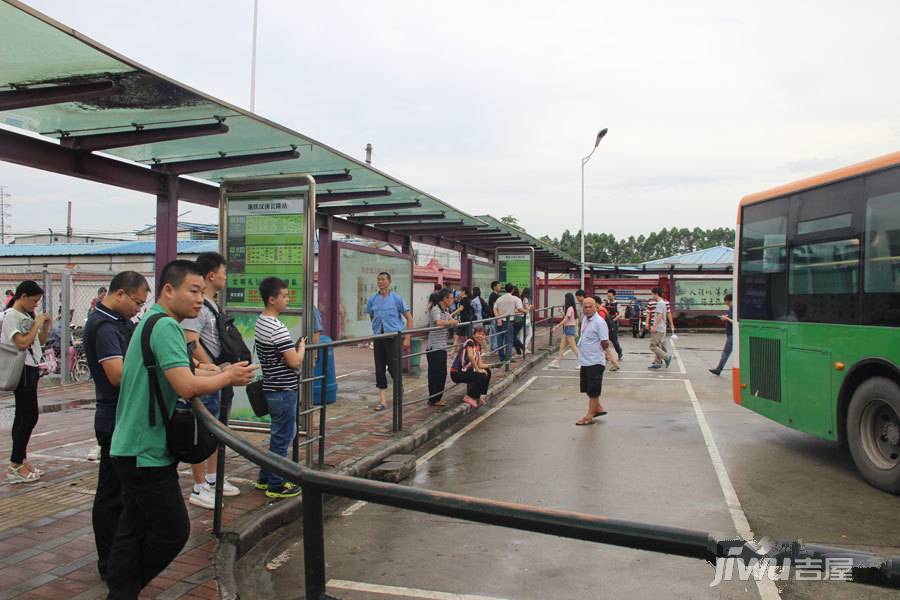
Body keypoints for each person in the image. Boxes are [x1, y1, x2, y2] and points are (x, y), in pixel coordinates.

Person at [105, 260, 256, 599]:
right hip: (145, 450)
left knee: (133, 527)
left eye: (203, 292)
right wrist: (227, 378)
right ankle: (124, 588)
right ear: (169, 290)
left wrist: (219, 371)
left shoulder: (153, 323)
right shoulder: (166, 327)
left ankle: (120, 588)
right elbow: (186, 385)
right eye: (194, 290)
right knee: (173, 530)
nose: (200, 299)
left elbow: (185, 370)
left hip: (132, 445)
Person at [83, 271, 150, 579]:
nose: (138, 309)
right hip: (113, 417)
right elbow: (119, 375)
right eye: (136, 302)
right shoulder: (103, 325)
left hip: (125, 415)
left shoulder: (123, 322)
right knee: (110, 494)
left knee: (124, 493)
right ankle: (108, 561)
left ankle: (121, 555)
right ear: (120, 294)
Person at [180, 252, 242, 509]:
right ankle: (199, 485)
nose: (226, 278)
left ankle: (214, 479)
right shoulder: (198, 307)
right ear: (211, 275)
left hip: (219, 376)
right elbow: (190, 341)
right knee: (202, 431)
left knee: (217, 430)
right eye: (223, 273)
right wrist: (213, 369)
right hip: (209, 377)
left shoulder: (213, 304)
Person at [254, 277, 306, 499]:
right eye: (284, 296)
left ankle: (265, 477)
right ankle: (276, 484)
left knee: (280, 434)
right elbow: (294, 361)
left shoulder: (261, 322)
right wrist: (301, 348)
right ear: (271, 299)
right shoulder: (277, 327)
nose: (287, 299)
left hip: (271, 386)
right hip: (284, 389)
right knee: (283, 436)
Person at [3, 281, 50, 484]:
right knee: (29, 415)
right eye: (33, 300)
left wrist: (44, 325)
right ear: (22, 296)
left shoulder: (26, 316)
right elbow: (21, 343)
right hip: (21, 368)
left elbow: (39, 340)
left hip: (31, 367)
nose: (35, 305)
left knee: (23, 415)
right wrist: (37, 323)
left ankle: (21, 459)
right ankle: (15, 464)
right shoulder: (12, 315)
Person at [366, 272, 412, 412]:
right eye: (379, 279)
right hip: (379, 338)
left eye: (384, 279)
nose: (381, 282)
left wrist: (407, 337)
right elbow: (372, 316)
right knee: (379, 369)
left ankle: (399, 391)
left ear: (389, 281)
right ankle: (383, 401)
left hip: (393, 338)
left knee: (394, 368)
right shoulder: (372, 299)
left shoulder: (397, 299)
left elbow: (409, 318)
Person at [576, 296, 610, 426]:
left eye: (590, 306)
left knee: (594, 391)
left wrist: (601, 353)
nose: (588, 309)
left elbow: (605, 342)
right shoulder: (585, 319)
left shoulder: (600, 322)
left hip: (595, 361)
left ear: (596, 306)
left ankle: (589, 416)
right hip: (584, 361)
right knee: (587, 389)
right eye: (585, 307)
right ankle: (598, 407)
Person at [425, 288, 458, 407]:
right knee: (435, 374)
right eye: (451, 298)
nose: (453, 300)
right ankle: (433, 399)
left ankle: (437, 398)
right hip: (434, 348)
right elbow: (438, 322)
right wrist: (451, 322)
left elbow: (451, 320)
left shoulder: (446, 310)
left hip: (442, 347)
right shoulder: (436, 309)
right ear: (445, 299)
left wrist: (453, 321)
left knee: (442, 374)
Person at [450, 326, 492, 408]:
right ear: (474, 334)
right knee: (481, 376)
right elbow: (470, 356)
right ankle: (469, 396)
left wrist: (493, 365)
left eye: (483, 335)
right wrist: (477, 369)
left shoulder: (478, 346)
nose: (481, 336)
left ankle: (477, 396)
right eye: (478, 334)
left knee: (487, 371)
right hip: (457, 372)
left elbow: (480, 364)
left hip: (466, 371)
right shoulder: (470, 342)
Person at [493, 283, 524, 361]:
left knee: (500, 340)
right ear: (512, 290)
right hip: (508, 322)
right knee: (509, 341)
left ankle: (501, 358)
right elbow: (520, 309)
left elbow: (495, 309)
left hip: (499, 322)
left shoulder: (499, 298)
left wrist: (498, 318)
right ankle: (508, 359)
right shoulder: (515, 299)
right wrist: (527, 310)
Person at [549, 292, 579, 369]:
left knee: (573, 347)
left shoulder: (570, 308)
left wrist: (557, 326)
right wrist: (562, 312)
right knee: (562, 347)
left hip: (569, 329)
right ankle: (557, 363)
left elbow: (566, 319)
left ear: (568, 299)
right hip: (567, 329)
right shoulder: (571, 308)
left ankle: (582, 363)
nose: (564, 299)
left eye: (565, 298)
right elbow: (567, 317)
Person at [647, 287, 672, 369]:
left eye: (652, 294)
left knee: (652, 346)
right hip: (661, 327)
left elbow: (659, 316)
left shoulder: (660, 303)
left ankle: (666, 357)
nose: (652, 296)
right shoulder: (662, 303)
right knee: (657, 345)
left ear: (656, 294)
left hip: (659, 328)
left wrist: (654, 327)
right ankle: (657, 362)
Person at [710, 293, 734, 376]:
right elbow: (730, 316)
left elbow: (735, 321)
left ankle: (718, 369)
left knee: (726, 353)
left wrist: (726, 318)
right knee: (726, 352)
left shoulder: (735, 308)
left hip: (733, 335)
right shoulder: (731, 308)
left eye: (726, 302)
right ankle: (718, 369)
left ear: (728, 301)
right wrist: (725, 317)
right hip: (729, 333)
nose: (726, 304)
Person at [605, 289, 624, 361]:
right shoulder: (606, 304)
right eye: (608, 296)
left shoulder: (617, 304)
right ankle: (606, 355)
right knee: (605, 339)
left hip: (613, 324)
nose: (609, 297)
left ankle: (619, 352)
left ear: (614, 296)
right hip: (606, 323)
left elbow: (620, 314)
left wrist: (613, 320)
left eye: (610, 296)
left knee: (614, 340)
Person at [487, 281, 502, 351]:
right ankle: (494, 347)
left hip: (495, 316)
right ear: (494, 287)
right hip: (493, 316)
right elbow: (494, 307)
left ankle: (492, 347)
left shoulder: (497, 295)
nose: (500, 287)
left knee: (493, 332)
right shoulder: (493, 295)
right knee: (494, 332)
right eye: (498, 286)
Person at [521, 287, 534, 352]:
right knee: (529, 334)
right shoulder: (525, 299)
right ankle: (524, 347)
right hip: (526, 318)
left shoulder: (522, 298)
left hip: (524, 318)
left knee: (525, 334)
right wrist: (530, 306)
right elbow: (527, 308)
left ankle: (524, 348)